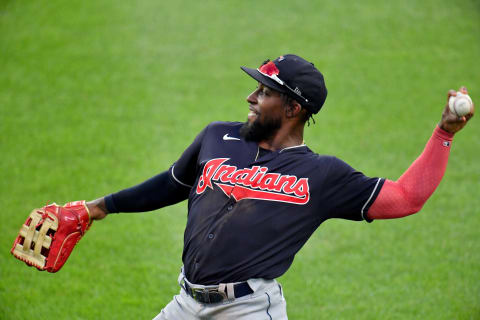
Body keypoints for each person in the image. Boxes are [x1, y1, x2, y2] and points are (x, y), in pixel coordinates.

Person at [85, 54, 474, 319]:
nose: (251, 97)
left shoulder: (322, 175)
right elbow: (172, 183)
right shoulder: (217, 137)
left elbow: (406, 197)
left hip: (249, 309)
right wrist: (97, 207)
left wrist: (443, 133)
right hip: (185, 303)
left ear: (293, 108)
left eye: (265, 92)